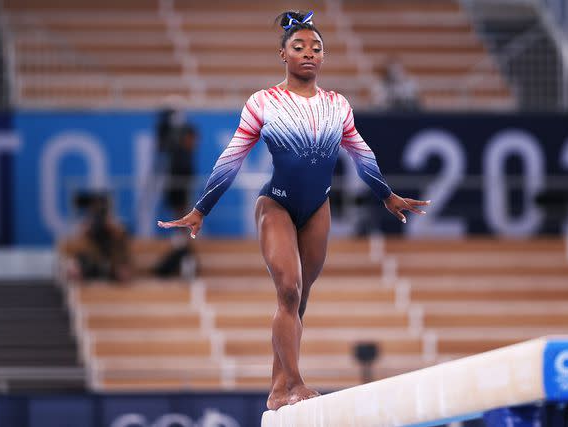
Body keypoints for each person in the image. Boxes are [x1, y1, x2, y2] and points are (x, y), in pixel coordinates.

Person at [157, 10, 431, 410]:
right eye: (299, 46)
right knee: (288, 288)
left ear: (324, 57)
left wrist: (386, 195)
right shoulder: (263, 103)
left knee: (297, 302)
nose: (309, 53)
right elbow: (231, 157)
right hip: (277, 205)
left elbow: (362, 154)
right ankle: (296, 383)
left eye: (316, 48)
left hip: (318, 207)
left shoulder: (338, 105)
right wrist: (202, 208)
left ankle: (277, 388)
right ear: (282, 54)